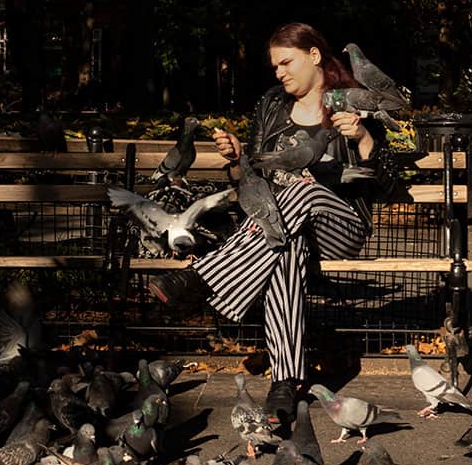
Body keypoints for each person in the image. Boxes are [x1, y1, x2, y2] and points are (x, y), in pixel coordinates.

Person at [148, 22, 398, 418]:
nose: (279, 73)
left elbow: (387, 184)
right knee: (287, 250)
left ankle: (202, 277)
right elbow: (256, 179)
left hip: (340, 224)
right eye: (275, 67)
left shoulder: (353, 100)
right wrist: (237, 157)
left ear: (314, 56)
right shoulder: (270, 104)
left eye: (286, 62)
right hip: (278, 232)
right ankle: (286, 382)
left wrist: (364, 139)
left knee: (301, 189)